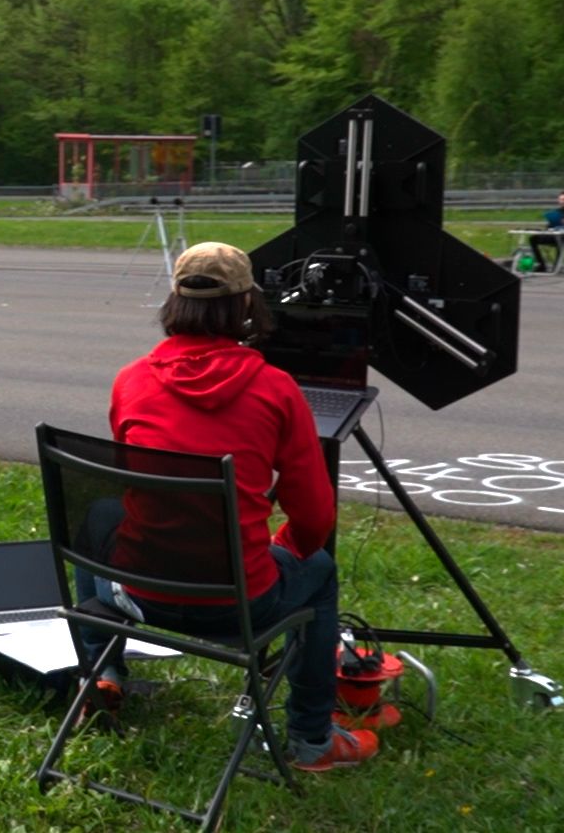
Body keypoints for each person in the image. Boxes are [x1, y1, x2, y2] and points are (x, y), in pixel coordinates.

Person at [79, 241, 376, 772]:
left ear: (175, 302)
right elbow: (314, 519)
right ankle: (311, 740)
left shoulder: (131, 380)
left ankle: (102, 672)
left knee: (93, 522)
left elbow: (139, 482)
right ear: (245, 307)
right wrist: (284, 549)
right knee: (322, 570)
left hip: (136, 595)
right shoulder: (276, 389)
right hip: (240, 603)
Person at [530, 191, 564, 272]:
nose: (563, 201)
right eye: (561, 199)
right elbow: (549, 226)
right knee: (533, 239)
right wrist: (550, 225)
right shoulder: (557, 211)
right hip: (554, 235)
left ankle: (556, 267)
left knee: (560, 241)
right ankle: (541, 265)